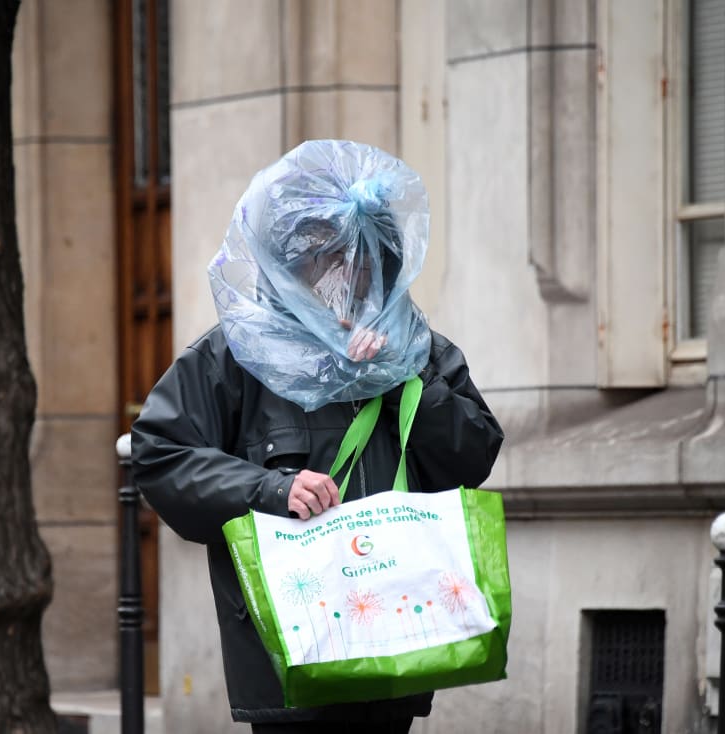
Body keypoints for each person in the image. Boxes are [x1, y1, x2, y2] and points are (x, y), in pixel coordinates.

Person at [130, 140, 503, 733]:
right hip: (288, 653)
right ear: (288, 264)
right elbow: (160, 454)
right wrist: (271, 490)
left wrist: (406, 382)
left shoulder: (415, 350)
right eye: (326, 259)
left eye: (361, 259)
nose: (348, 277)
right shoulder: (233, 356)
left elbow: (476, 453)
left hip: (392, 645)